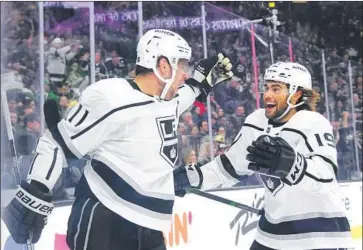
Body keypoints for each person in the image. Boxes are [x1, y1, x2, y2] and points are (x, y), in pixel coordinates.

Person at [2, 29, 233, 250]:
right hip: (105, 218)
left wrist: (201, 84)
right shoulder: (110, 96)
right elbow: (57, 143)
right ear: (163, 65)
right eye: (182, 65)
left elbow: (186, 95)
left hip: (150, 227)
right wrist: (36, 190)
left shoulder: (167, 101)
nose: (186, 73)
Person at [174, 62, 353, 250]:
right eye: (266, 87)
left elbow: (326, 175)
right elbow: (229, 168)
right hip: (273, 233)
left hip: (321, 234)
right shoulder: (256, 122)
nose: (267, 94)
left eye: (276, 89)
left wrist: (293, 165)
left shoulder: (313, 123)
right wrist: (192, 178)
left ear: (297, 94)